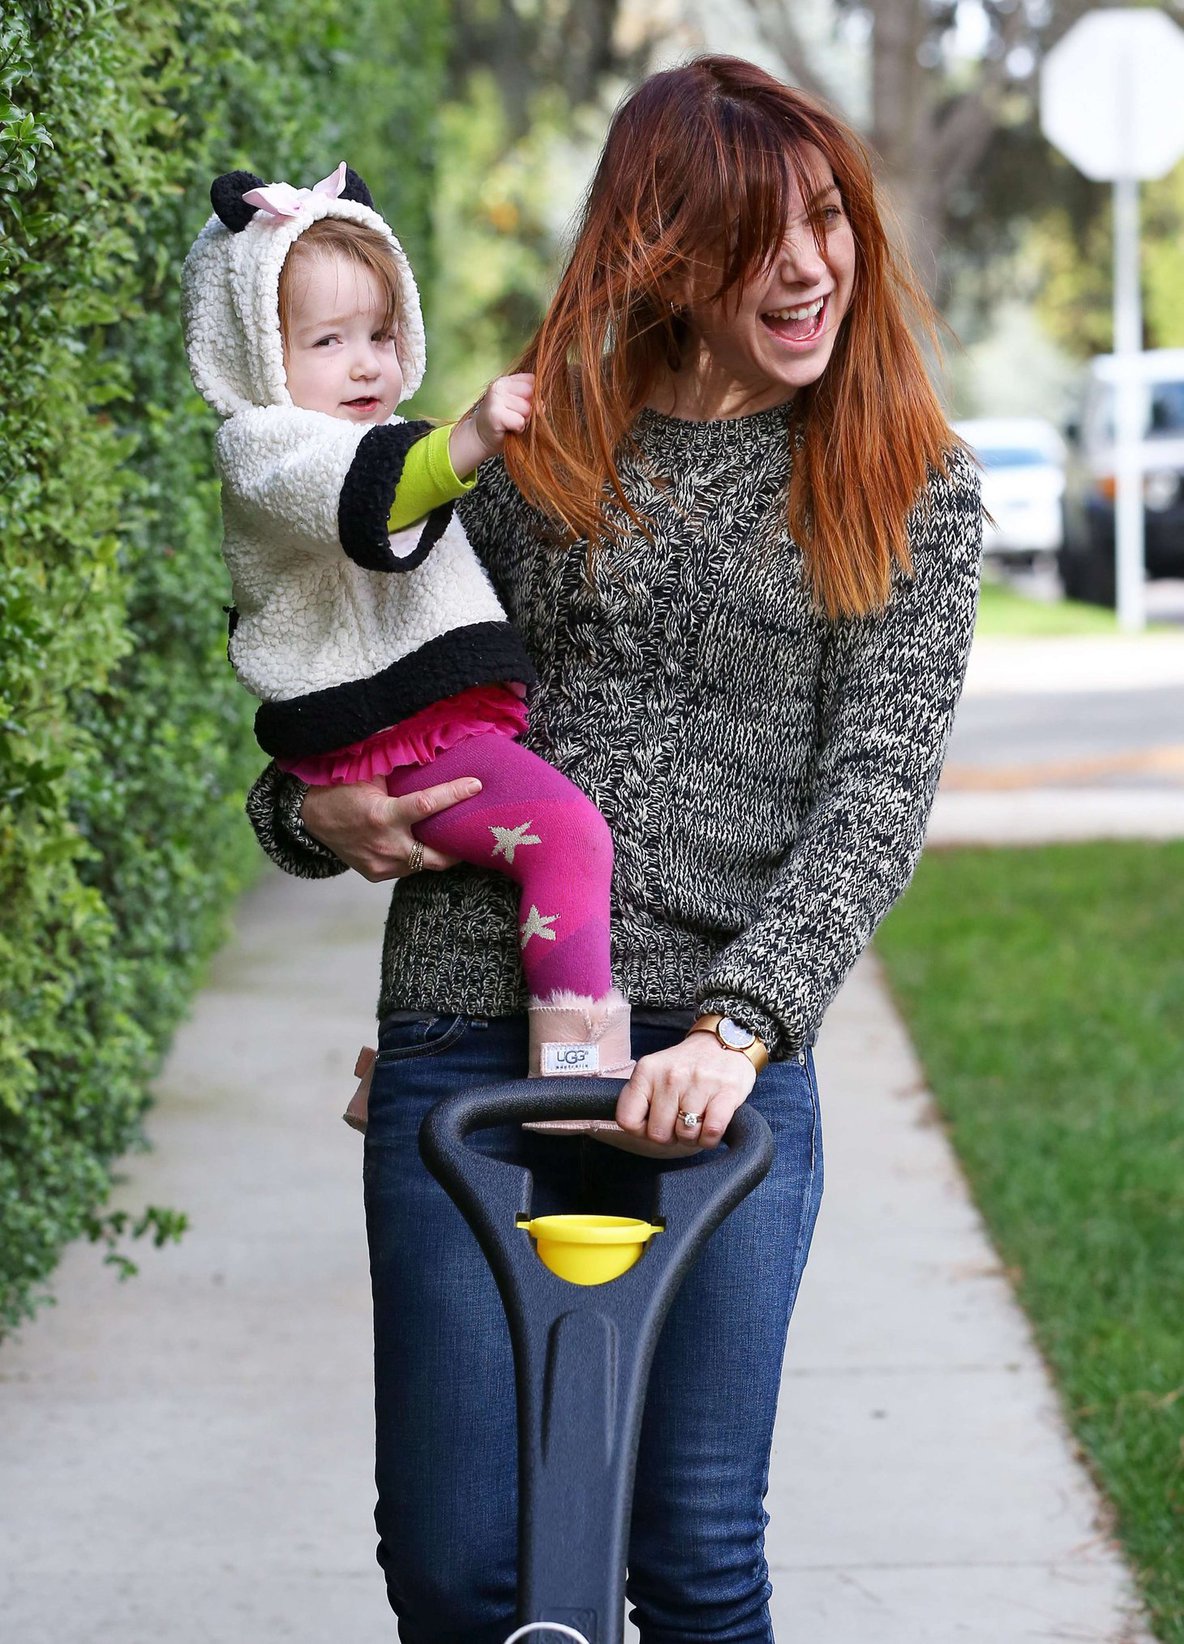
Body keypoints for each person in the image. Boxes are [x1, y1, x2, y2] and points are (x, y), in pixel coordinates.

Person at [246, 55, 982, 1644]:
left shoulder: (908, 482)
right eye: (754, 235)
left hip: (718, 1070)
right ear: (660, 248)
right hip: (471, 1054)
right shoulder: (533, 448)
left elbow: (877, 795)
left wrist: (740, 1028)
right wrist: (310, 819)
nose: (808, 266)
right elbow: (339, 692)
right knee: (460, 1572)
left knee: (694, 1562)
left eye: (826, 221)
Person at [181, 163, 632, 1124]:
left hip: (413, 725)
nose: (366, 366)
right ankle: (576, 1080)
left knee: (543, 848)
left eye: (381, 336)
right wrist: (467, 437)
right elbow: (372, 491)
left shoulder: (375, 443)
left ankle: (409, 1078)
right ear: (258, 354)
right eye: (327, 341)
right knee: (567, 838)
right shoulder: (265, 448)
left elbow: (399, 477)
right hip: (386, 733)